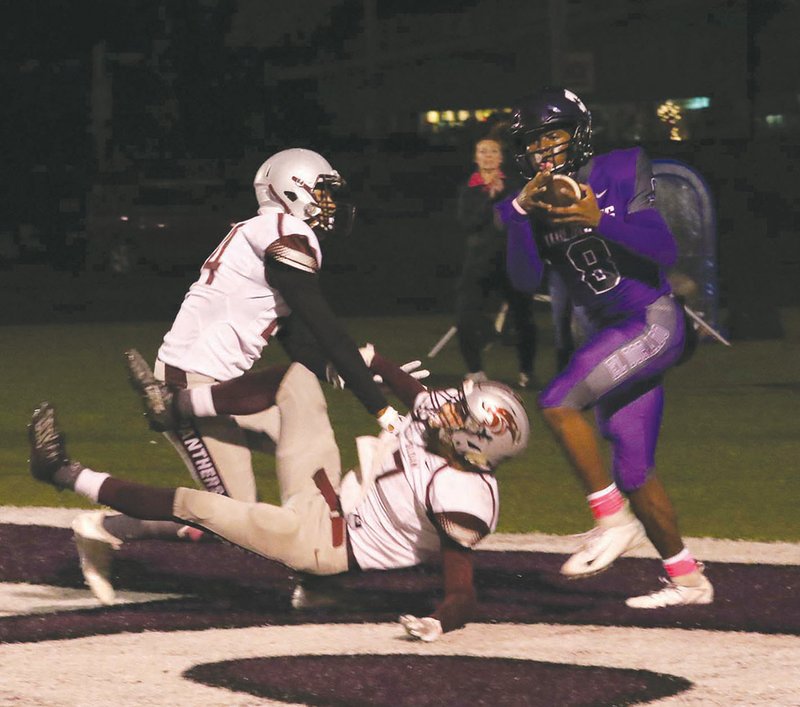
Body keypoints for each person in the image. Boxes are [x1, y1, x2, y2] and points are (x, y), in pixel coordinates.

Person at [69, 148, 425, 604]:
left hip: (220, 387)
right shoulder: (287, 233)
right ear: (292, 187)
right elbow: (324, 326)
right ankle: (104, 528)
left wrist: (360, 376)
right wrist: (378, 404)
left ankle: (316, 578)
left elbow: (298, 338)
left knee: (313, 455)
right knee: (231, 520)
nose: (329, 204)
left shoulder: (263, 232)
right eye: (322, 192)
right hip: (191, 385)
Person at [28, 348, 530, 642]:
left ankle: (61, 470)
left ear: (475, 440)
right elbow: (379, 363)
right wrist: (356, 360)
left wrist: (437, 624)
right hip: (328, 492)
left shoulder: (464, 495)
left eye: (458, 414)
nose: (444, 409)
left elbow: (461, 591)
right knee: (297, 380)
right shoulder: (442, 417)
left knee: (197, 505)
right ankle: (176, 406)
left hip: (322, 545)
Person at [496, 86, 713, 608]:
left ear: (578, 131)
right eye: (534, 140)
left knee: (557, 401)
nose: (545, 148)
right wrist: (520, 216)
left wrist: (601, 220)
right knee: (633, 467)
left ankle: (610, 518)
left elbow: (664, 248)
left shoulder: (619, 167)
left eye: (554, 134)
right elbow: (524, 280)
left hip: (650, 320)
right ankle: (688, 580)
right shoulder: (532, 200)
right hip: (608, 332)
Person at [455, 136, 538, 388]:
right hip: (478, 263)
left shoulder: (513, 186)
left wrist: (502, 195)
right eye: (482, 151)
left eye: (493, 151)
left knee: (523, 317)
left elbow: (523, 219)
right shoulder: (469, 189)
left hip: (511, 261)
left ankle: (526, 372)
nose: (488, 156)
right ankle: (476, 371)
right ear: (475, 157)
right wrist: (487, 198)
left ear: (501, 158)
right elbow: (468, 223)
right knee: (465, 316)